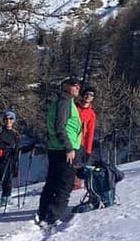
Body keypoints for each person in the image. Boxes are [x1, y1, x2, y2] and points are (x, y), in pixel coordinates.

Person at [37, 76, 83, 225]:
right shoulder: (65, 102)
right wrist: (69, 147)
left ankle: (44, 213)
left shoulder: (61, 102)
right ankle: (52, 218)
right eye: (74, 85)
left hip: (56, 148)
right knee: (64, 186)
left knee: (52, 183)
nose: (77, 87)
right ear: (65, 87)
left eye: (78, 85)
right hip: (64, 150)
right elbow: (60, 126)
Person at [74, 86, 97, 189]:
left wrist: (88, 150)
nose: (88, 96)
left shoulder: (91, 114)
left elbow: (90, 133)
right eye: (87, 94)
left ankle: (75, 185)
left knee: (77, 166)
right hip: (69, 141)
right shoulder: (74, 108)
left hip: (81, 144)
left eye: (91, 95)